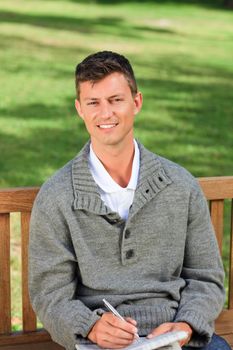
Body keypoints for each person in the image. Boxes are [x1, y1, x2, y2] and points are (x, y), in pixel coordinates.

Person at [29, 51, 230, 350]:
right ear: (79, 109)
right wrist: (92, 326)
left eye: (116, 100)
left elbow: (207, 278)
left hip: (177, 336)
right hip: (100, 342)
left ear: (136, 102)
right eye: (93, 103)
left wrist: (187, 324)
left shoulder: (180, 185)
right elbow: (50, 294)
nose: (105, 113)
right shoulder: (57, 196)